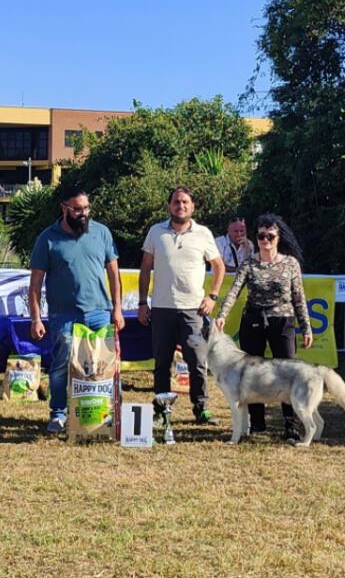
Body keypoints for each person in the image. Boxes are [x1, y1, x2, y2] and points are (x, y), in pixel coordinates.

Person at [28, 185, 124, 435]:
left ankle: (109, 412)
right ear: (64, 209)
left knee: (105, 364)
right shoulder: (47, 239)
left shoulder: (101, 233)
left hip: (100, 312)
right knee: (61, 365)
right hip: (64, 316)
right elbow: (35, 284)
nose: (83, 213)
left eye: (86, 208)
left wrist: (117, 309)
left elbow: (114, 274)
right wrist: (36, 318)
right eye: (77, 209)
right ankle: (58, 414)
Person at [215, 213, 313, 439]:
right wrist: (222, 315)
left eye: (270, 236)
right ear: (256, 237)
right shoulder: (249, 263)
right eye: (261, 236)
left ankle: (291, 425)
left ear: (278, 238)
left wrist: (306, 327)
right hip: (253, 321)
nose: (265, 240)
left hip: (283, 323)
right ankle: (257, 423)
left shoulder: (290, 264)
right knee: (251, 373)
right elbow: (234, 291)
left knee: (288, 371)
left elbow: (299, 297)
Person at [137, 186, 225, 424]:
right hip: (162, 309)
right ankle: (160, 411)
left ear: (192, 206)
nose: (181, 206)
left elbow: (219, 266)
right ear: (169, 206)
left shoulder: (204, 233)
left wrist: (212, 296)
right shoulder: (156, 232)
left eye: (185, 202)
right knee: (162, 363)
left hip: (193, 310)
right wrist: (143, 302)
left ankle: (201, 409)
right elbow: (145, 268)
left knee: (197, 362)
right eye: (176, 202)